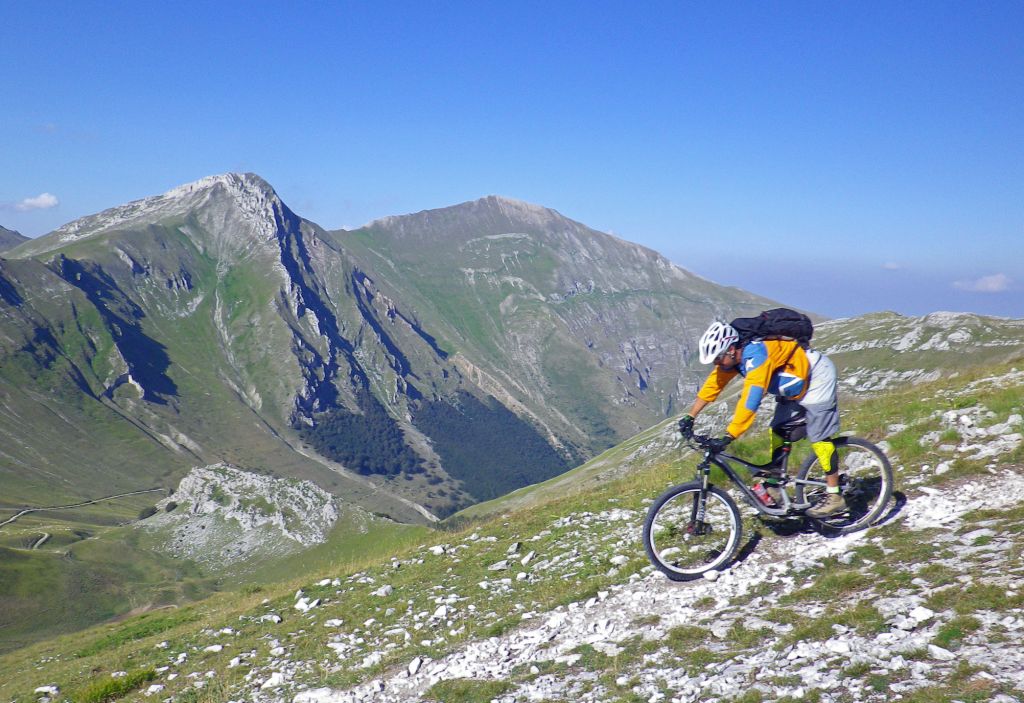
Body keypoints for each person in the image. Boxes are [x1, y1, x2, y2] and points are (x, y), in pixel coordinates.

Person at [676, 320, 845, 518]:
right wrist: (691, 415)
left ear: (731, 349)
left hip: (817, 378)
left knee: (819, 438)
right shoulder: (732, 360)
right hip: (794, 386)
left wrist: (730, 435)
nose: (717, 364)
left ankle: (835, 496)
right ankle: (774, 484)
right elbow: (713, 386)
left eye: (718, 358)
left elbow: (751, 399)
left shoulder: (756, 356)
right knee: (779, 429)